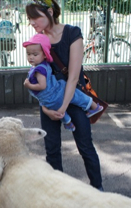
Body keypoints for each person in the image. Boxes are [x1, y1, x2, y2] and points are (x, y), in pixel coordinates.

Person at [25, 0, 104, 191]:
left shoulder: (72, 33)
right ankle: (57, 192)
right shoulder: (37, 40)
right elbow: (37, 77)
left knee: (85, 146)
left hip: (72, 97)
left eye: (35, 17)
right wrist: (47, 109)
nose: (32, 22)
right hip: (50, 102)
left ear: (50, 12)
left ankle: (98, 191)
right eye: (29, 19)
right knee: (52, 150)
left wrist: (63, 107)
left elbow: (74, 76)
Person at [23, 33, 103, 131]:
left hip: (51, 96)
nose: (31, 57)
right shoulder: (44, 65)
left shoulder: (39, 70)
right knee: (75, 96)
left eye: (35, 54)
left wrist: (28, 85)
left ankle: (69, 122)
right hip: (56, 89)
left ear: (45, 54)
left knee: (58, 107)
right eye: (28, 54)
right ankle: (93, 106)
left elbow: (42, 86)